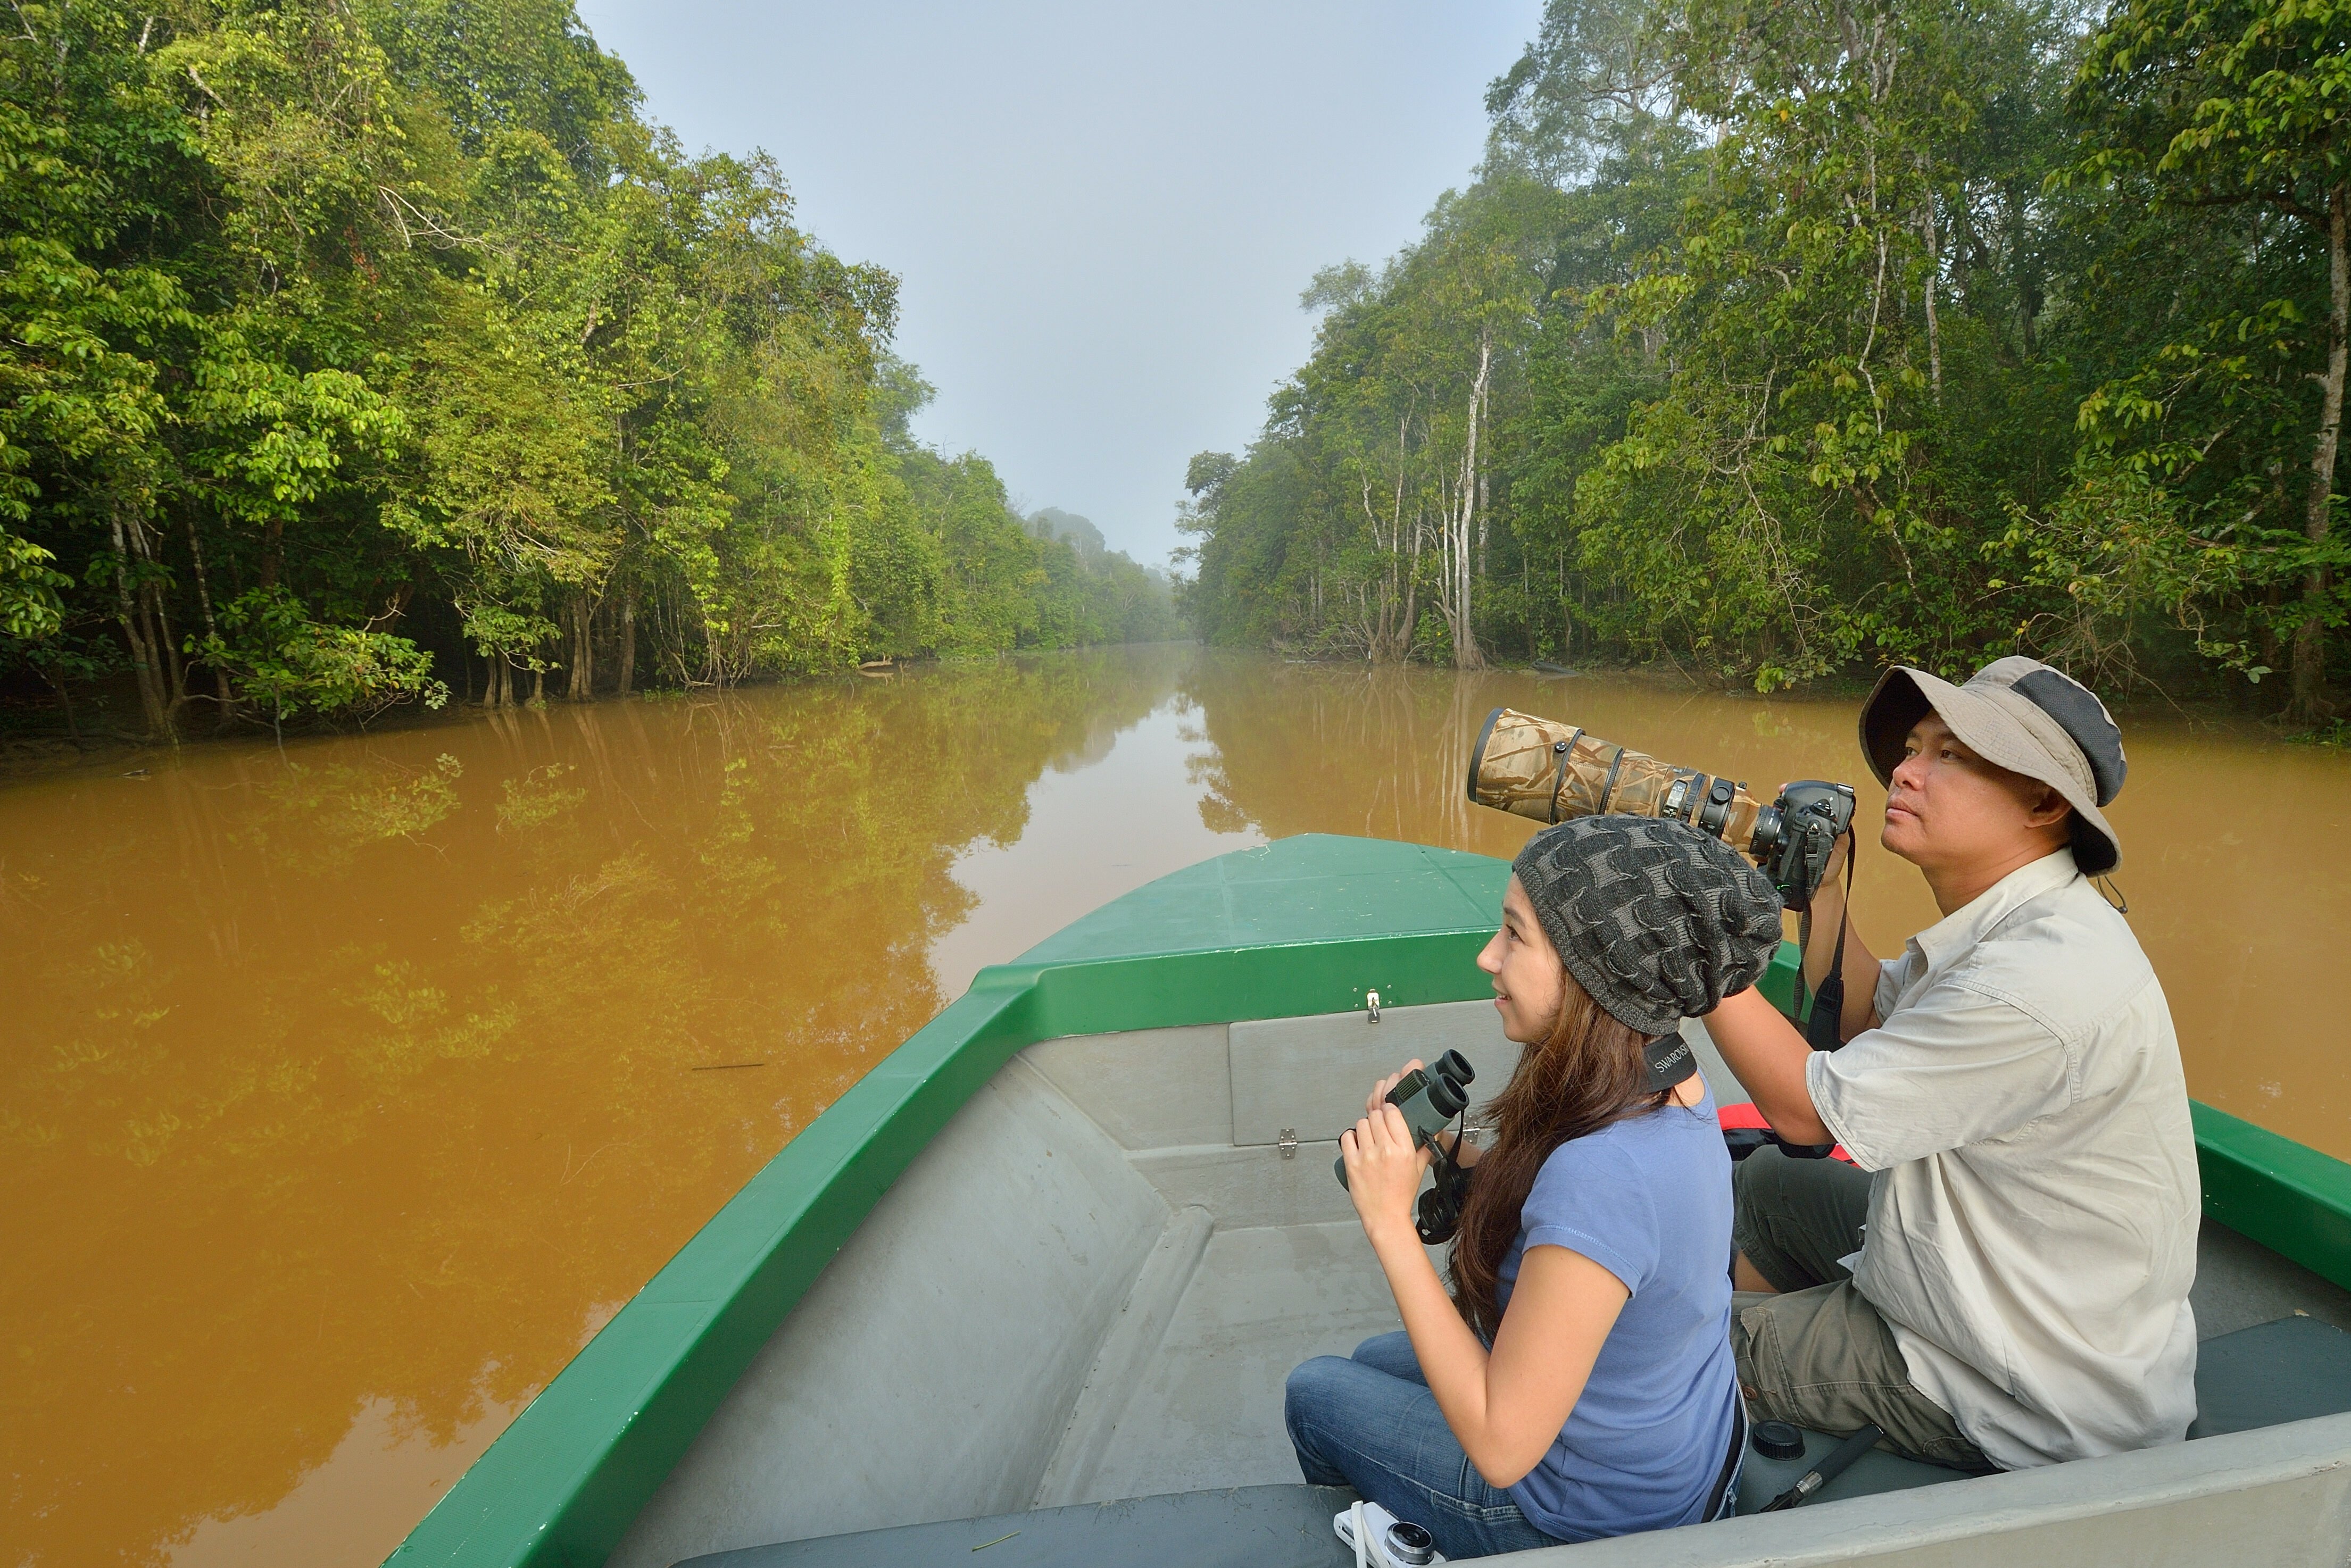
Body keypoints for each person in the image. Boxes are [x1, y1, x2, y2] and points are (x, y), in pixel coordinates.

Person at [1702, 656, 2199, 1473]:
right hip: (2010, 1291)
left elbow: (1805, 1114)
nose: (1904, 769)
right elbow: (1859, 1025)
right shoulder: (2020, 923)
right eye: (1912, 747)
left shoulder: (2033, 984)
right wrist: (1824, 890)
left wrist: (1675, 939)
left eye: (1950, 755)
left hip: (2014, 1385)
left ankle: (1736, 1370)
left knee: (1648, 1351)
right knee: (1768, 1187)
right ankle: (1773, 1357)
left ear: (2044, 803)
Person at [1284, 816, 1784, 1557]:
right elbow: (1590, 1220)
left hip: (1591, 1512)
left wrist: (1390, 1221)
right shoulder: (1668, 1075)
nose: (1490, 957)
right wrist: (1451, 1151)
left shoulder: (1605, 1172)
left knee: (1316, 1391)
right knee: (1374, 1361)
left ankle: (1402, 1541)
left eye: (1515, 936)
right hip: (1677, 1454)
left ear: (1597, 968)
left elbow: (1501, 1446)